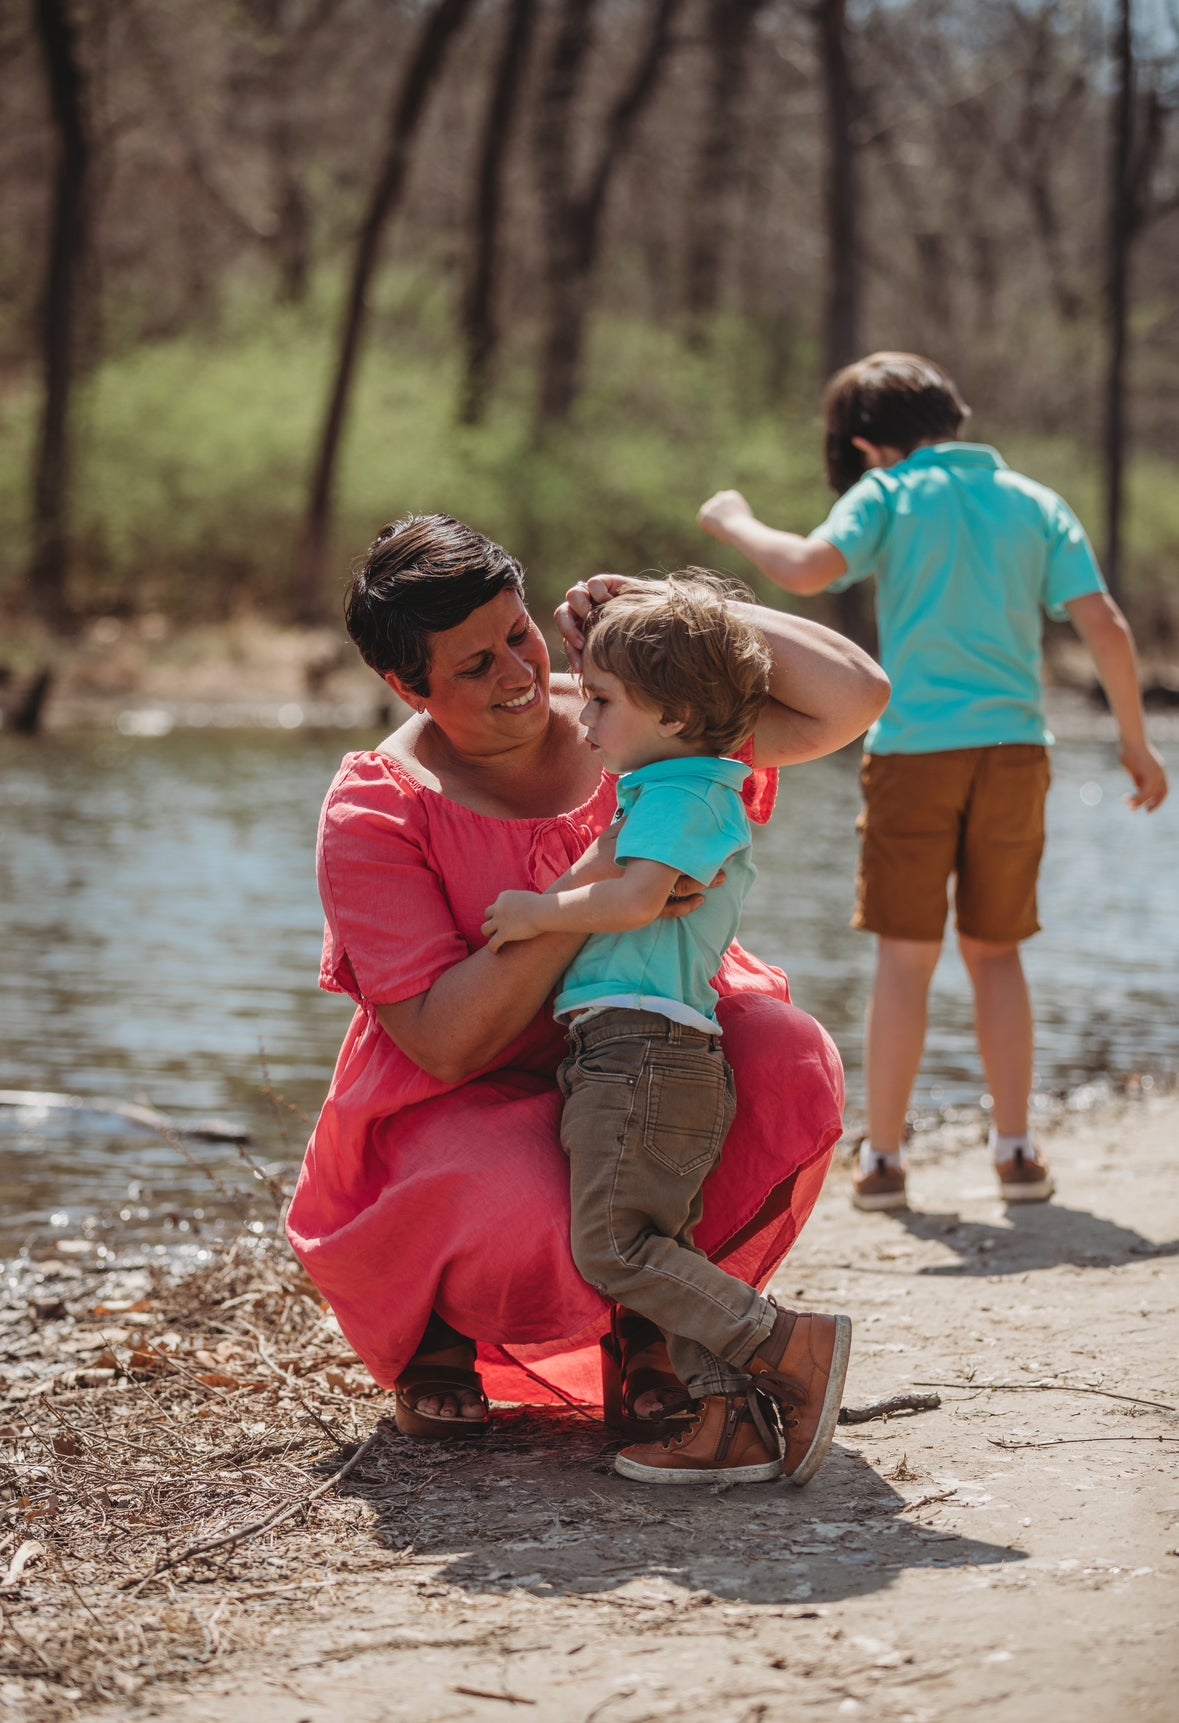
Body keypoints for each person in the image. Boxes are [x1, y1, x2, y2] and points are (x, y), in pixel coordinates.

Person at [285, 513, 889, 1446]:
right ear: (406, 685)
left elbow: (854, 697)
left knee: (783, 1057)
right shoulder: (374, 809)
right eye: (474, 665)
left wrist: (665, 606)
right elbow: (447, 1043)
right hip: (469, 1097)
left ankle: (651, 1321)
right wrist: (592, 884)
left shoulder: (634, 717)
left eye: (517, 634)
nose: (519, 673)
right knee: (527, 1201)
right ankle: (443, 1325)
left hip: (642, 1049)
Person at [697, 350, 1169, 1214]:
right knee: (997, 952)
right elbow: (1102, 622)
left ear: (865, 445)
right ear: (952, 417)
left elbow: (804, 568)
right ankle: (1015, 1151)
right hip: (1015, 754)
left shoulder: (888, 493)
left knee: (904, 956)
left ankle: (882, 1160)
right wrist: (1134, 743)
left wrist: (734, 520)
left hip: (914, 753)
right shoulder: (1033, 500)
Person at [482, 572, 852, 1485]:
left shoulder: (684, 794)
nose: (583, 719)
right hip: (640, 1048)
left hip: (643, 1048)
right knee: (666, 1247)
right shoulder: (670, 785)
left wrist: (537, 913)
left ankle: (787, 1344)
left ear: (677, 715)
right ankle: (729, 1422)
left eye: (603, 701)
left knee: (615, 1249)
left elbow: (640, 898)